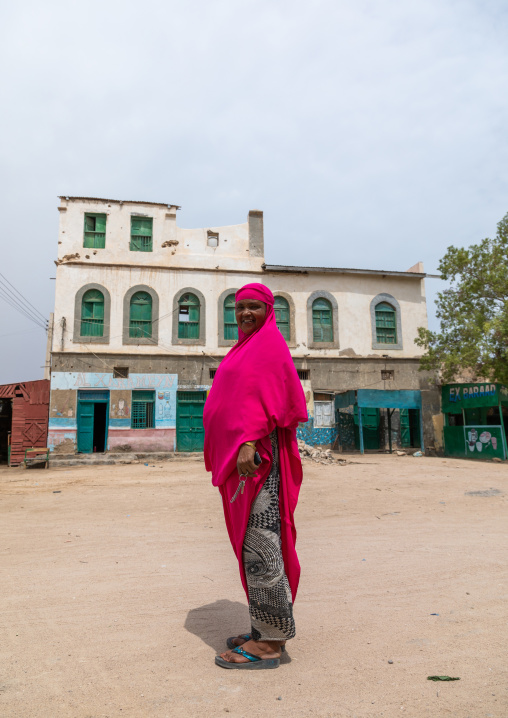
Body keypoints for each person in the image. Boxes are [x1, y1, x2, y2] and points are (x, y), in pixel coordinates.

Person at [203, 283, 308, 670]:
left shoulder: (270, 346)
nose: (246, 313)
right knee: (252, 550)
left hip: (257, 464)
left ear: (269, 310)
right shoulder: (243, 348)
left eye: (254, 307)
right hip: (242, 465)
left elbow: (278, 401)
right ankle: (263, 630)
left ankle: (270, 644)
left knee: (263, 548)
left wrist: (250, 439)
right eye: (240, 307)